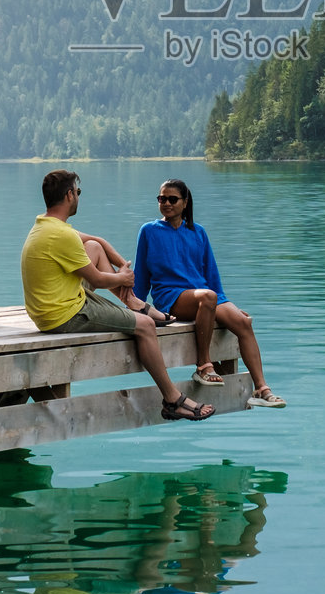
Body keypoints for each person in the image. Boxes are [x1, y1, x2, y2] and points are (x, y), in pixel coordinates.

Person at [21, 170, 214, 422]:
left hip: (54, 305)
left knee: (93, 247)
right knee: (145, 326)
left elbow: (97, 242)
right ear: (69, 195)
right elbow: (99, 280)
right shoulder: (62, 236)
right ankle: (172, 399)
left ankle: (134, 302)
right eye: (77, 192)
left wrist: (124, 269)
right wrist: (124, 278)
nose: (78, 197)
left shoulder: (45, 225)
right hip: (62, 315)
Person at [134, 179, 285, 407]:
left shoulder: (198, 232)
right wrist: (136, 307)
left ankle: (261, 390)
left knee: (242, 321)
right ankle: (204, 365)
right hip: (171, 298)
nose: (166, 203)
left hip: (204, 296)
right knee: (207, 297)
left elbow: (211, 276)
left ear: (185, 203)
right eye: (161, 199)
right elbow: (142, 275)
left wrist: (225, 305)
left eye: (172, 199)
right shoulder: (149, 231)